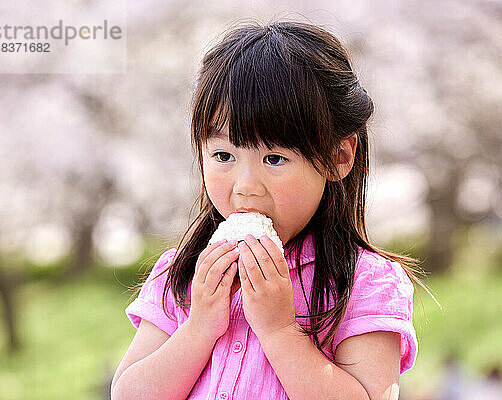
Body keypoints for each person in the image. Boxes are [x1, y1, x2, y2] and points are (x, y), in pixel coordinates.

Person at [111, 19, 434, 400]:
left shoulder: (365, 282)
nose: (245, 185)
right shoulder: (182, 275)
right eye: (223, 155)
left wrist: (280, 331)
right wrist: (198, 327)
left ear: (338, 156)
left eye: (275, 158)